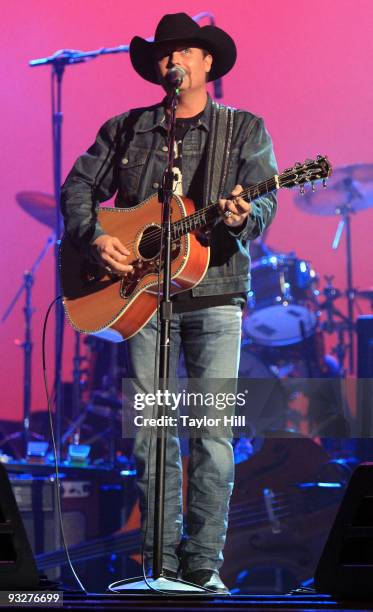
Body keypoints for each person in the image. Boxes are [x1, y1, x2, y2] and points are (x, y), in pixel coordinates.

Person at [61, 12, 277, 594]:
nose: (173, 60)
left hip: (216, 294)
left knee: (210, 434)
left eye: (185, 51)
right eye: (164, 53)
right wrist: (95, 237)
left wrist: (243, 214)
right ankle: (158, 567)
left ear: (208, 63)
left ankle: (202, 567)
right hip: (142, 298)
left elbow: (262, 208)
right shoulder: (128, 130)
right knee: (151, 433)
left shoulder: (245, 129)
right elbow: (79, 186)